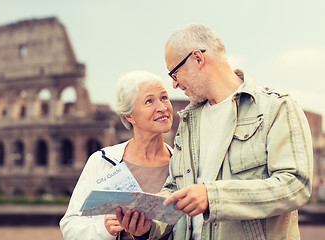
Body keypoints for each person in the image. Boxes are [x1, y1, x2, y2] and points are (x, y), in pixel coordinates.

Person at [116, 24, 313, 240]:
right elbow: (175, 190)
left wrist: (213, 196)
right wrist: (148, 227)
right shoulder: (188, 122)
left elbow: (295, 185)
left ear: (198, 59)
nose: (174, 84)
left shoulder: (276, 107)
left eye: (174, 72)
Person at [59, 70, 174, 240]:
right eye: (149, 101)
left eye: (164, 98)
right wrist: (104, 229)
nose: (162, 107)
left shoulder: (182, 163)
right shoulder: (102, 161)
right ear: (130, 116)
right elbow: (69, 225)